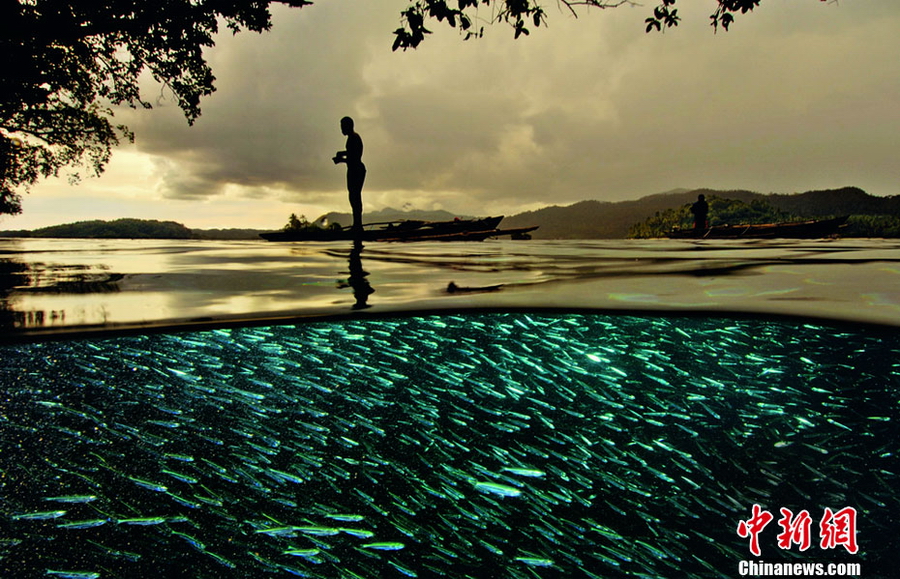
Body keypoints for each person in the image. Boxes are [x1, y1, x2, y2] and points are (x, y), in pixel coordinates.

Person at [332, 117, 366, 233]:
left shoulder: (354, 138)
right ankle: (357, 225)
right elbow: (351, 153)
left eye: (342, 127)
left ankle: (358, 226)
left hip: (356, 170)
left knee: (355, 197)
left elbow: (354, 158)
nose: (341, 129)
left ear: (348, 126)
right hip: (353, 170)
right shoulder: (352, 138)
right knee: (353, 197)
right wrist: (341, 154)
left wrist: (340, 160)